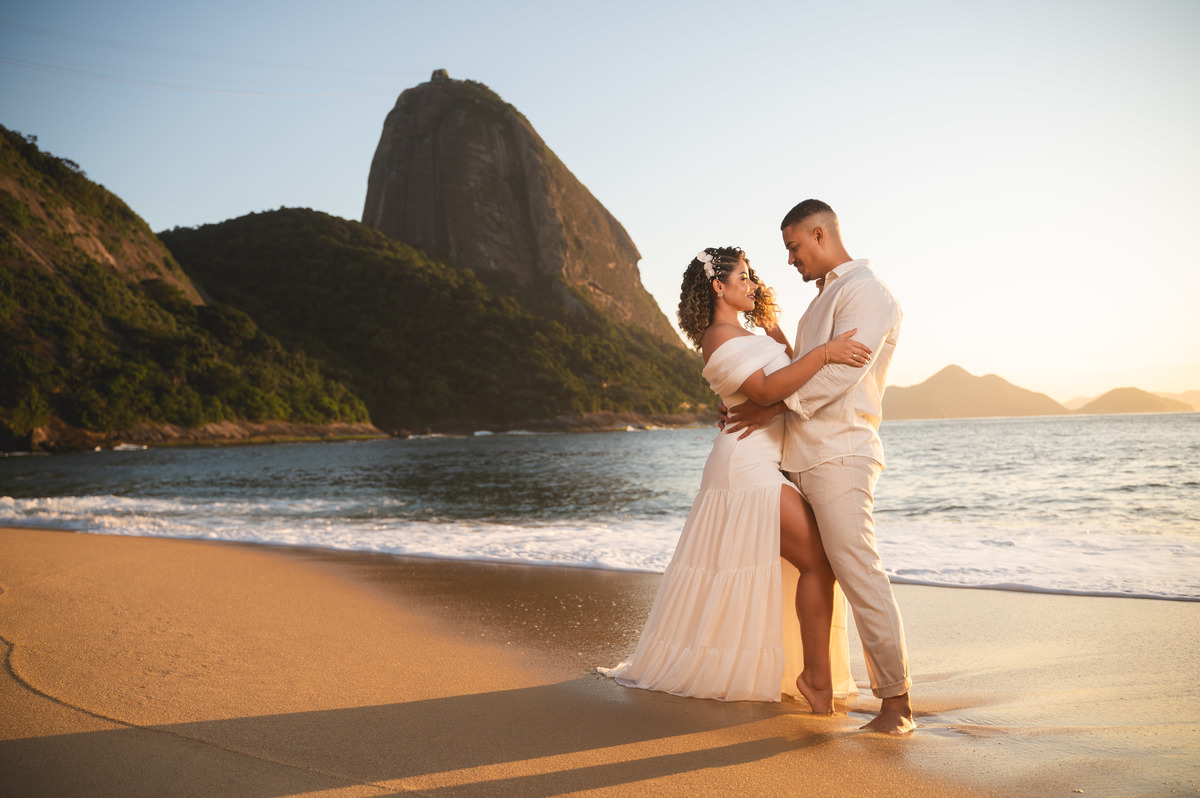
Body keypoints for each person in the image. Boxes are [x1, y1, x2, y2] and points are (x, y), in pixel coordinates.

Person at [599, 246, 871, 710]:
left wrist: (773, 328)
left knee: (813, 564)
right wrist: (826, 352)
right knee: (818, 563)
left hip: (762, 460)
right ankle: (815, 681)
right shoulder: (717, 336)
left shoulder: (746, 333)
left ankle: (814, 678)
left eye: (752, 276)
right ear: (717, 287)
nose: (753, 284)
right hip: (744, 465)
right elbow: (766, 389)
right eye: (743, 277)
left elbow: (792, 374)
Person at [726, 200, 914, 734]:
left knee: (859, 571)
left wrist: (770, 408)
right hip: (802, 456)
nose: (790, 260)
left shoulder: (866, 291)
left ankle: (896, 704)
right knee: (818, 570)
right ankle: (818, 681)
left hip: (841, 453)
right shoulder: (820, 302)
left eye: (793, 247)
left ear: (818, 233)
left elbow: (840, 375)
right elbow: (800, 366)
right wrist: (773, 334)